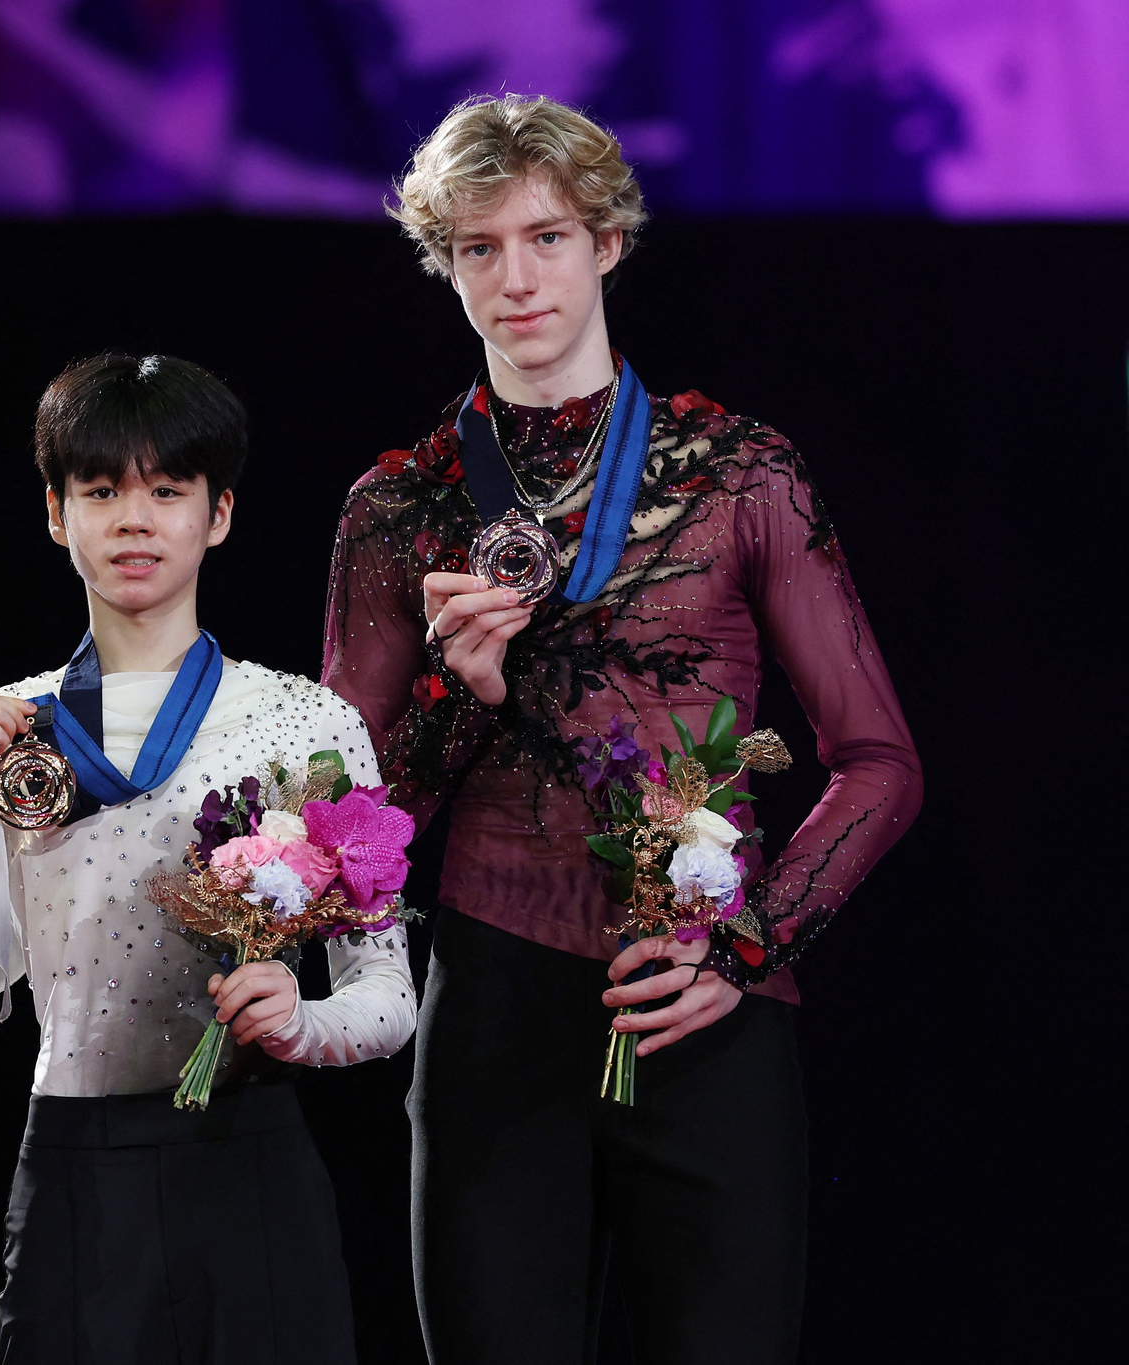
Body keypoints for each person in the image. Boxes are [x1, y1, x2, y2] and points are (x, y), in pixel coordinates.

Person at [322, 95, 923, 1364]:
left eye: (544, 237)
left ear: (606, 242)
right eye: (477, 249)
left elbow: (878, 763)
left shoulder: (738, 471)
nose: (515, 277)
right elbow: (347, 827)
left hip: (703, 1010)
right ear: (445, 264)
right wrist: (455, 693)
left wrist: (744, 946)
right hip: (491, 1011)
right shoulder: (399, 504)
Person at [0, 353, 416, 1364]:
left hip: (251, 1165)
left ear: (217, 514)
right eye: (100, 490)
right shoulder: (1, 735)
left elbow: (388, 996)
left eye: (167, 490)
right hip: (75, 1173)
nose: (134, 519)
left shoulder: (302, 721)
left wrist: (300, 1025)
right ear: (55, 513)